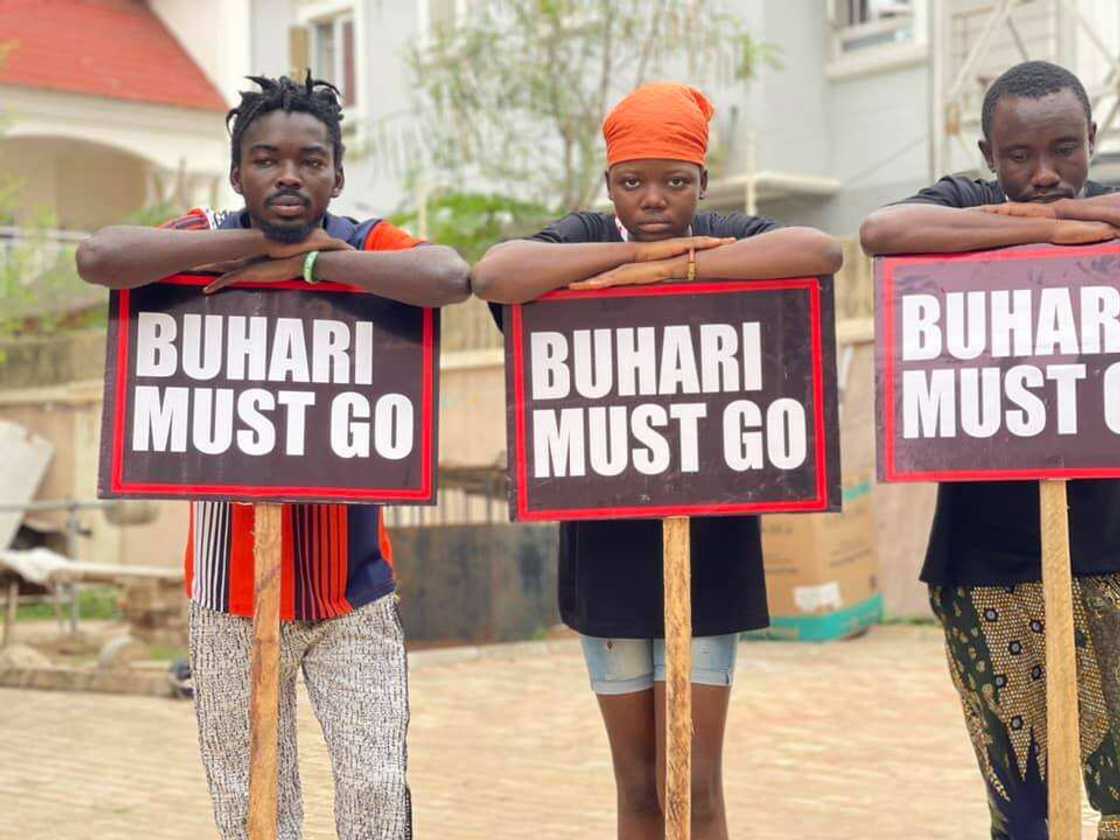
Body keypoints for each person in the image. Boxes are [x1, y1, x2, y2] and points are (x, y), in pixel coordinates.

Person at [76, 73, 470, 840]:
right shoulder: (198, 233)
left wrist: (316, 264)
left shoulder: (364, 240)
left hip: (354, 593)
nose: (288, 175)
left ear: (337, 173)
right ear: (236, 174)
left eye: (309, 160)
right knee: (252, 804)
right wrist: (262, 242)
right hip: (229, 595)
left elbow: (450, 276)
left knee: (377, 790)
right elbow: (101, 256)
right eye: (266, 159)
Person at [472, 82, 843, 840]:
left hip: (711, 545)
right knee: (638, 786)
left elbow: (822, 251)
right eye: (632, 182)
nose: (653, 200)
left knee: (697, 783)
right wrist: (640, 257)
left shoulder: (728, 230)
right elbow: (495, 274)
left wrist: (677, 266)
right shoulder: (579, 234)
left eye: (675, 183)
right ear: (607, 184)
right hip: (605, 543)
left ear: (702, 183)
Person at [861, 60, 1120, 839]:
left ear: (1093, 141)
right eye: (1019, 157)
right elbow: (880, 232)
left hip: (1112, 554)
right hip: (987, 570)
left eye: (1065, 152)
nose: (1044, 175)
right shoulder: (962, 204)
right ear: (987, 154)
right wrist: (1048, 228)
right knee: (1025, 813)